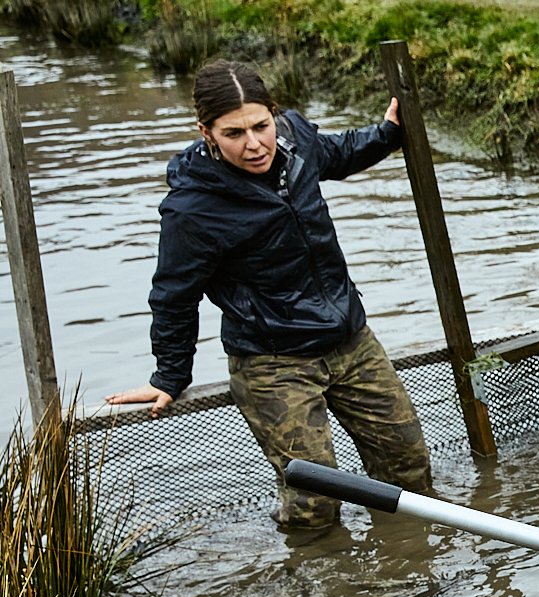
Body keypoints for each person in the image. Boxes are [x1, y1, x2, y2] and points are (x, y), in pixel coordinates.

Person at [104, 59, 431, 531]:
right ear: (207, 132)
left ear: (275, 116)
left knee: (410, 473)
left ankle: (409, 571)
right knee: (315, 503)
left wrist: (387, 133)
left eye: (261, 126)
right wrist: (170, 376)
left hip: (351, 341)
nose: (254, 144)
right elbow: (174, 296)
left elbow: (336, 152)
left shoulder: (295, 142)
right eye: (234, 133)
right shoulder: (192, 209)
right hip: (273, 365)